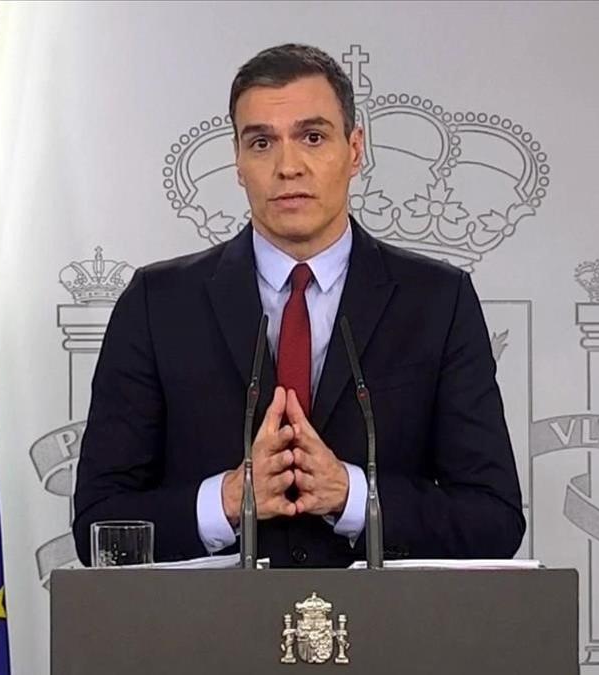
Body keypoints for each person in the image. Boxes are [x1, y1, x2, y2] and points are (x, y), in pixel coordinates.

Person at [72, 43, 524, 568]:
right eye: (262, 142)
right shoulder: (157, 305)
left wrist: (351, 495)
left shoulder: (437, 302)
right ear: (238, 163)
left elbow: (494, 520)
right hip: (206, 641)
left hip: (386, 640)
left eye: (313, 137)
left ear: (355, 149)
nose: (288, 166)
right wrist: (229, 500)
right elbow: (98, 527)